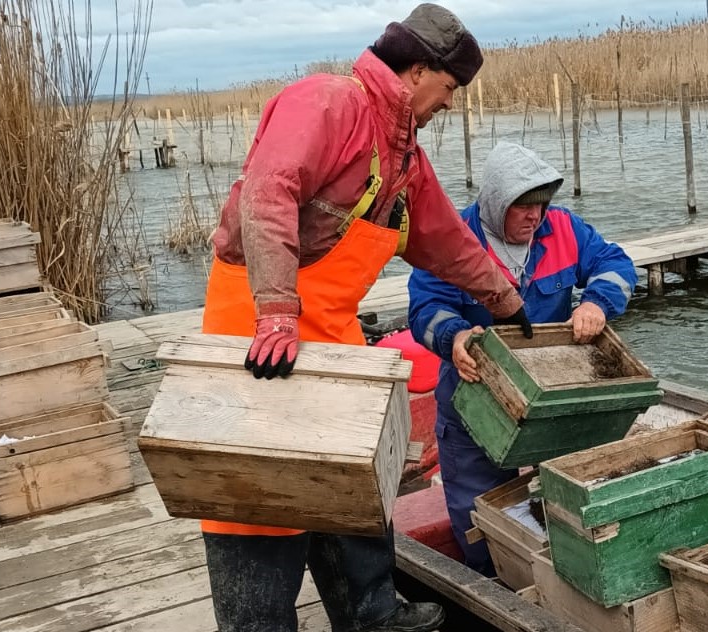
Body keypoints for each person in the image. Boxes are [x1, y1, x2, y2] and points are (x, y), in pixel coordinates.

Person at [199, 5, 533, 631]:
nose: (452, 103)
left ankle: (371, 611)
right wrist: (275, 312)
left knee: (353, 478)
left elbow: (444, 240)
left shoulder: (404, 157)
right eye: (451, 87)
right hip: (258, 327)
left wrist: (504, 297)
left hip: (332, 327)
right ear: (417, 71)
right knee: (260, 493)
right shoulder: (325, 102)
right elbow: (270, 191)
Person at [408, 142, 637, 575]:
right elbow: (425, 308)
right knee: (477, 510)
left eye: (541, 204)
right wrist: (454, 338)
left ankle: (565, 571)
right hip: (475, 395)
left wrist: (596, 304)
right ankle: (495, 580)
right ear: (496, 202)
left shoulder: (564, 228)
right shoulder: (452, 239)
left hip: (553, 394)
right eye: (523, 206)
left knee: (573, 491)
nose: (535, 216)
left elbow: (616, 263)